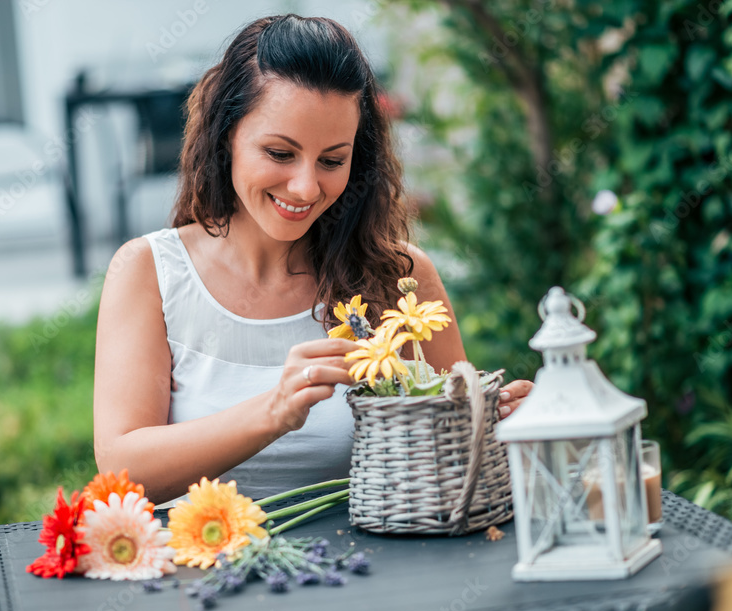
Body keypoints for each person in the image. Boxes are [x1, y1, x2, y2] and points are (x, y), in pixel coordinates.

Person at [93, 14, 531, 505]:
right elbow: (121, 469)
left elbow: (452, 463)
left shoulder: (401, 280)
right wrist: (274, 410)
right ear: (226, 137)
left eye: (331, 161)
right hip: (195, 573)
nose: (305, 187)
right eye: (280, 153)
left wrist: (500, 425)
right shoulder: (150, 271)